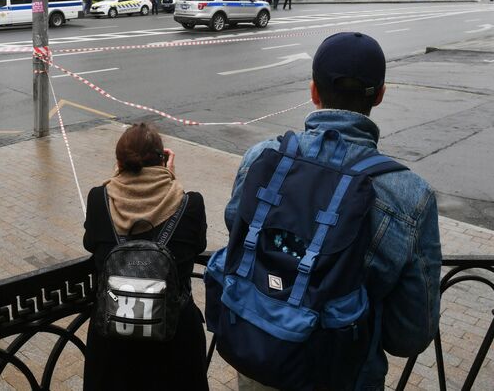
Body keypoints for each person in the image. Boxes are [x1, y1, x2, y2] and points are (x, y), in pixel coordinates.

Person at [224, 32, 441, 389]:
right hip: (344, 374)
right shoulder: (410, 196)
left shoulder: (261, 158)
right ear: (381, 95)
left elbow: (237, 231)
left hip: (258, 356)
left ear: (313, 91)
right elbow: (410, 336)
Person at [82, 123, 208, 391]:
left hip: (113, 342)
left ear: (119, 163)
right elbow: (198, 246)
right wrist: (171, 180)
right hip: (175, 340)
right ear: (164, 161)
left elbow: (89, 243)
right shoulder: (191, 204)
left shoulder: (97, 199)